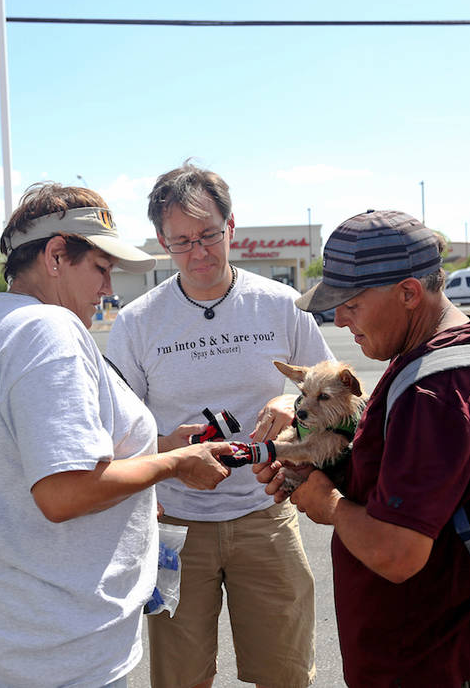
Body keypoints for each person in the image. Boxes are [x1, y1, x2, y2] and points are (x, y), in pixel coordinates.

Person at [0, 182, 233, 688]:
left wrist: (155, 448)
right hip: (50, 649)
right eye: (100, 268)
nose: (107, 288)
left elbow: (31, 453)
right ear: (55, 255)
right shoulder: (50, 330)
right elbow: (63, 491)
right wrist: (178, 464)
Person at [256, 210, 470, 687]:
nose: (338, 319)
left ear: (408, 293)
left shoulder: (434, 393)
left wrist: (330, 505)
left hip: (431, 658)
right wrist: (319, 470)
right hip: (443, 643)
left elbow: (398, 554)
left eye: (351, 304)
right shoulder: (462, 350)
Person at [106, 162, 333, 688]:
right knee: (181, 678)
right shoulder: (138, 322)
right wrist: (167, 450)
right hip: (177, 527)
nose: (198, 252)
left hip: (268, 513)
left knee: (286, 673)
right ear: (163, 243)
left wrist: (290, 408)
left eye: (208, 235)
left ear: (231, 228)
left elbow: (333, 397)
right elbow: (116, 436)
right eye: (181, 241)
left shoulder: (282, 306)